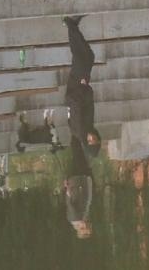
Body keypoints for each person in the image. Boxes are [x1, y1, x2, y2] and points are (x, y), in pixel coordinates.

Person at [62, 15, 99, 239]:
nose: (87, 224)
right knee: (87, 58)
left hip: (77, 95)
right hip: (78, 98)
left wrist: (82, 91)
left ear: (82, 229)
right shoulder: (78, 213)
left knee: (82, 60)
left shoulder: (75, 216)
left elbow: (74, 194)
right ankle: (72, 25)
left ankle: (69, 24)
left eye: (86, 228)